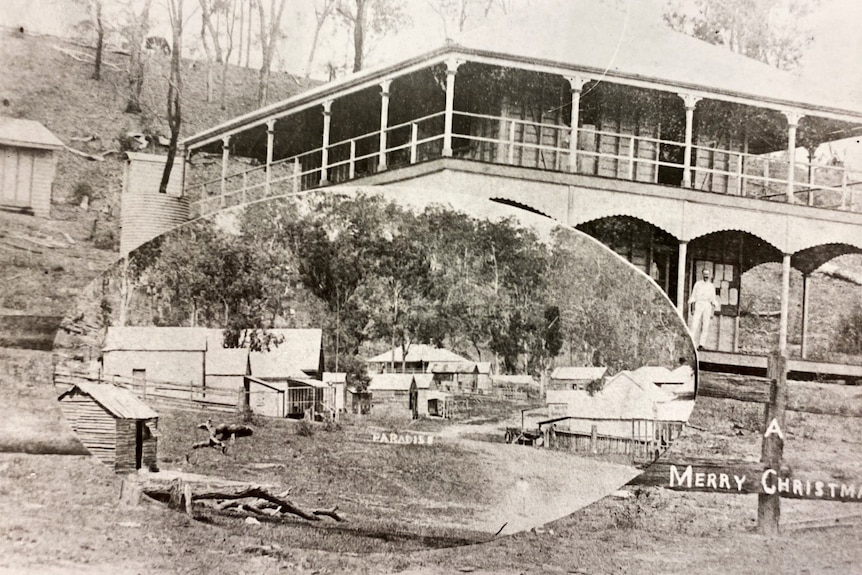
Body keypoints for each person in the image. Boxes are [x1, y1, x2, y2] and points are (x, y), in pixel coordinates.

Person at [688, 267, 720, 350]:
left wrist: (712, 312)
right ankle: (691, 342)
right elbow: (693, 296)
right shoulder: (698, 284)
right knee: (695, 323)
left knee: (705, 325)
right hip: (699, 304)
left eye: (707, 274)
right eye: (705, 274)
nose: (706, 276)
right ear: (702, 274)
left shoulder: (711, 286)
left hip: (707, 305)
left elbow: (713, 299)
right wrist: (692, 308)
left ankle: (701, 344)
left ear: (710, 275)